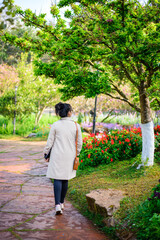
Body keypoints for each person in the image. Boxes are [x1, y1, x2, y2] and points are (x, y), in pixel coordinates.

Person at [44, 102, 82, 215]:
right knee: (65, 179)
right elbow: (79, 142)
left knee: (57, 179)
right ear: (69, 112)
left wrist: (46, 153)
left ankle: (57, 206)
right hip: (69, 155)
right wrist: (77, 153)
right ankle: (61, 202)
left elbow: (50, 142)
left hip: (57, 155)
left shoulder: (55, 125)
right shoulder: (76, 125)